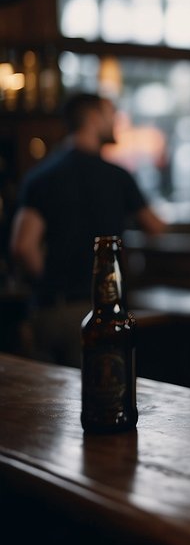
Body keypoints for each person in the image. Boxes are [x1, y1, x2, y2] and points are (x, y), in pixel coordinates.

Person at [10, 93, 166, 367]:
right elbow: (154, 226)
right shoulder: (117, 176)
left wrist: (51, 284)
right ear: (93, 119)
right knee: (103, 399)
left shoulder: (42, 176)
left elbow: (23, 246)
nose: (116, 122)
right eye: (111, 115)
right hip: (101, 313)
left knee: (48, 404)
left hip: (49, 311)